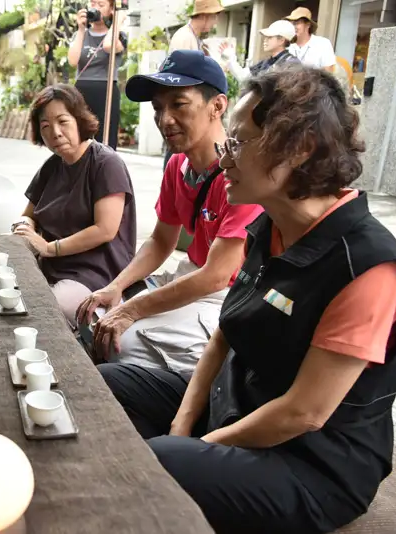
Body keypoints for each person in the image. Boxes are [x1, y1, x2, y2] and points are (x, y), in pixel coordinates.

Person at [99, 65, 396, 533]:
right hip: (238, 407)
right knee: (108, 384)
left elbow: (303, 413)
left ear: (300, 149)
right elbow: (224, 333)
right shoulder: (269, 226)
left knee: (160, 462)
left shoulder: (367, 265)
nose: (224, 159)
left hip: (313, 464)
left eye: (239, 143)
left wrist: (201, 444)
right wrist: (184, 421)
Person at [76, 51, 263, 374]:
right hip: (191, 274)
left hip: (230, 294)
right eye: (158, 108)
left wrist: (131, 310)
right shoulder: (178, 165)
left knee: (121, 344)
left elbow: (218, 275)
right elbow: (161, 241)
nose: (165, 119)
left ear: (217, 106)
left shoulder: (241, 174)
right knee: (95, 323)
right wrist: (117, 286)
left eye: (179, 104)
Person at [12, 84, 136, 328]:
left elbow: (105, 229)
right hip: (51, 264)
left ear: (79, 120)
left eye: (63, 121)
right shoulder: (53, 166)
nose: (55, 133)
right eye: (45, 126)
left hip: (95, 272)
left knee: (44, 311)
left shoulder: (105, 164)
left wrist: (48, 248)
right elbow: (29, 215)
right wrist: (24, 226)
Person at [166, 0, 222, 172]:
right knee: (177, 155)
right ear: (205, 16)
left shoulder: (193, 38)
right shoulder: (185, 38)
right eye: (214, 17)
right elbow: (179, 81)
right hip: (184, 105)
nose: (215, 22)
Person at [68, 0, 128, 149]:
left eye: (101, 5)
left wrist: (116, 22)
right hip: (81, 90)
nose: (95, 8)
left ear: (111, 10)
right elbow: (73, 61)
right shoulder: (80, 35)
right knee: (79, 137)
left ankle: (104, 170)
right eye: (93, 4)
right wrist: (81, 29)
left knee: (105, 140)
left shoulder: (119, 36)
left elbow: (108, 46)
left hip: (105, 90)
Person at [220, 20, 299, 82]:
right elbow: (243, 77)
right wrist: (230, 58)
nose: (265, 40)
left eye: (270, 37)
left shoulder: (292, 64)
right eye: (265, 37)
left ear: (281, 40)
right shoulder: (265, 63)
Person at [285, 7, 336, 72]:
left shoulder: (322, 43)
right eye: (290, 24)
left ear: (308, 25)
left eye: (296, 23)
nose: (293, 27)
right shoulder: (288, 46)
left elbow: (329, 72)